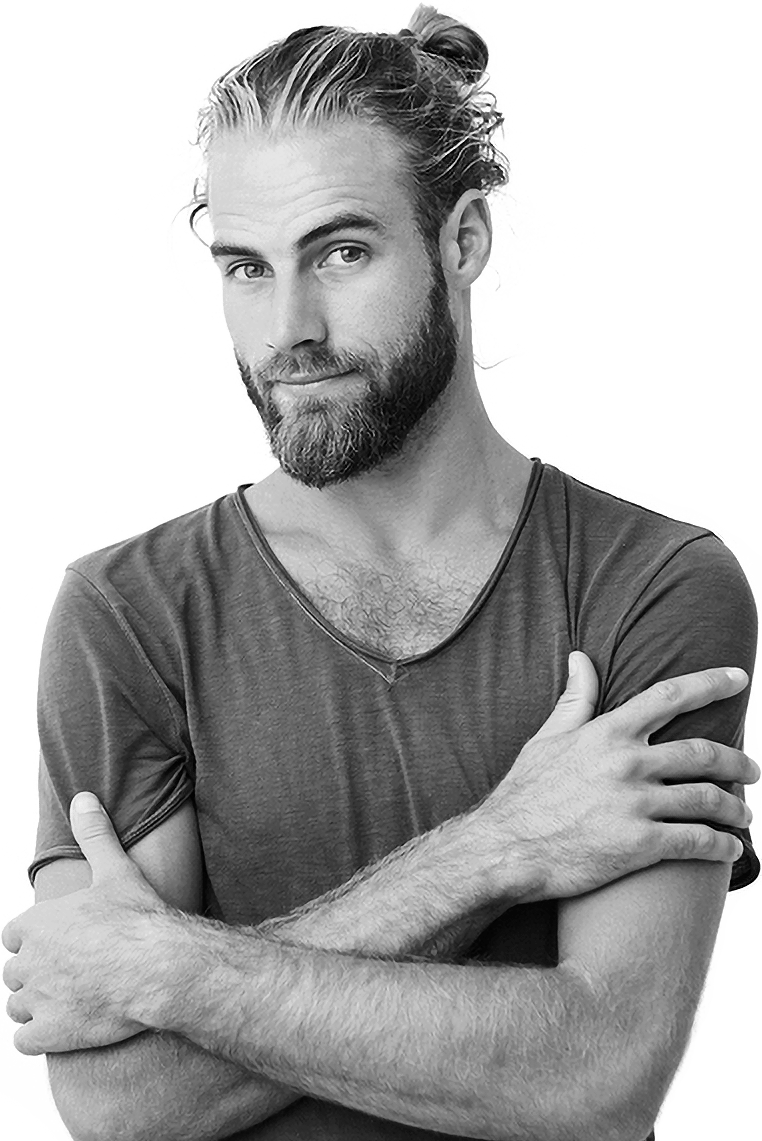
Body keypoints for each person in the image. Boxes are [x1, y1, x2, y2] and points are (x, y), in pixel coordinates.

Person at [2, 5, 760, 1140]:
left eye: (341, 253)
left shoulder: (652, 582)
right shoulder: (128, 608)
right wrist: (494, 850)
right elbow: (120, 1104)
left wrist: (169, 968)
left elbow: (599, 1076)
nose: (288, 330)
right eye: (245, 268)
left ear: (464, 241)